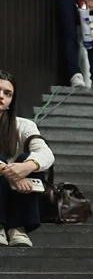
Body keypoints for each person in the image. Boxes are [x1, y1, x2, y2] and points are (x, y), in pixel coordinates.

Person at [0, 73, 52, 248]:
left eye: (7, 93)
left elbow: (45, 153)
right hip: (11, 183)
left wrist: (27, 167)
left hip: (17, 192)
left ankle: (17, 228)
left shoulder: (23, 125)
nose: (2, 96)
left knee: (27, 158)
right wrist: (10, 173)